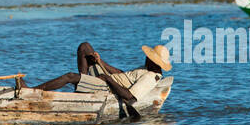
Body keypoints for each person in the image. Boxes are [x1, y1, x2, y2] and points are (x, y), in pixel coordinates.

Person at [32, 41, 171, 119]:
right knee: (85, 47)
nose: (146, 58)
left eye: (149, 57)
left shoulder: (151, 77)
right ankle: (83, 86)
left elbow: (128, 95)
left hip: (106, 86)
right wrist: (100, 62)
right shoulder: (146, 69)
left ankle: (33, 91)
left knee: (70, 76)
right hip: (107, 79)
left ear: (154, 62)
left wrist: (107, 79)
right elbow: (123, 74)